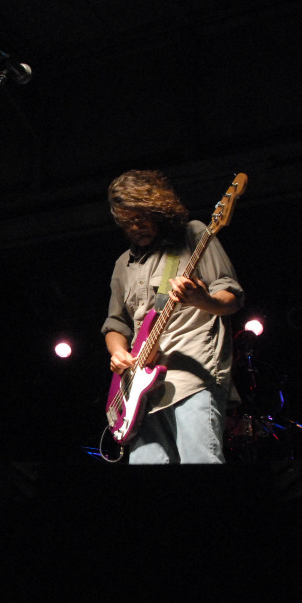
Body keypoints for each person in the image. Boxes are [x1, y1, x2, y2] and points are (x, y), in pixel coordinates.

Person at [101, 170, 243, 464]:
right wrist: (117, 353)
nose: (136, 227)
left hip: (191, 380)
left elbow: (232, 298)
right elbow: (116, 325)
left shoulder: (193, 234)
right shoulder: (122, 265)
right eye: (128, 222)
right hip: (139, 393)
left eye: (141, 218)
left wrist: (203, 300)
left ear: (157, 209)